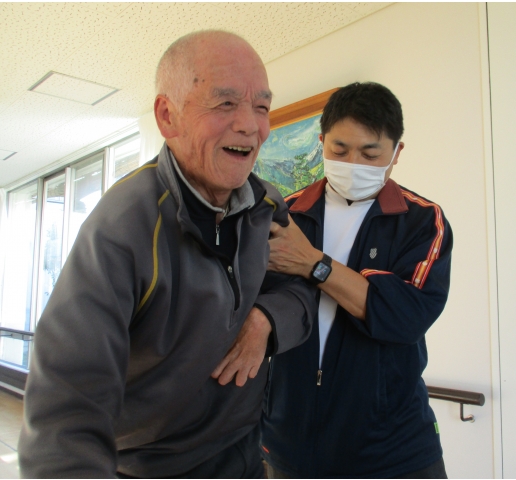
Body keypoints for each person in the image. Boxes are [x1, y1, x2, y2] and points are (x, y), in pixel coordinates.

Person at [18, 30, 316, 478]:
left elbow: (302, 288)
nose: (250, 125)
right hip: (149, 465)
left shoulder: (266, 204)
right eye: (225, 103)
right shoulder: (122, 226)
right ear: (167, 116)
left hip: (245, 453)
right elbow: (66, 407)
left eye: (261, 107)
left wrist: (267, 320)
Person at [260, 82, 453, 478]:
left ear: (396, 153)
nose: (353, 164)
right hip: (288, 444)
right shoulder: (286, 216)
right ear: (321, 143)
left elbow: (406, 317)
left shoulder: (422, 221)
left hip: (392, 451)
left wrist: (314, 264)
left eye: (370, 153)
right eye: (340, 150)